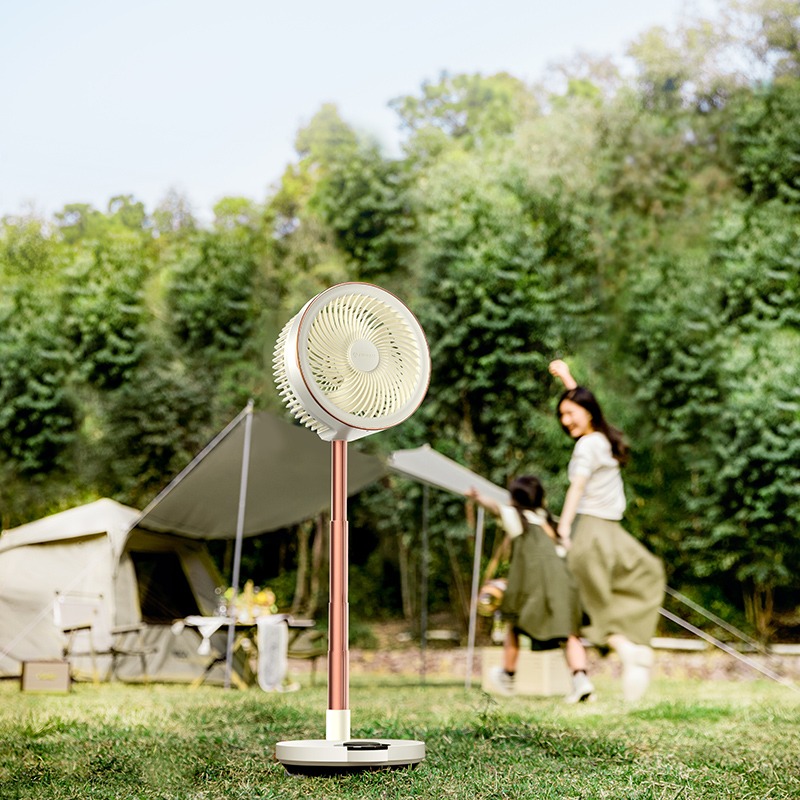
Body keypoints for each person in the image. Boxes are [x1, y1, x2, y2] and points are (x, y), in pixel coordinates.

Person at [549, 359, 665, 702]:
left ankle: (630, 650)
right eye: (562, 416)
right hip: (595, 530)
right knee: (596, 603)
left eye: (570, 413)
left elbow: (577, 486)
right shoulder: (592, 442)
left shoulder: (593, 441)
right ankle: (629, 651)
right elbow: (577, 489)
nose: (565, 421)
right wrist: (565, 529)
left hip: (604, 531)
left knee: (634, 581)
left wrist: (568, 379)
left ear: (587, 411)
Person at [468, 476, 594, 704]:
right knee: (570, 632)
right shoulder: (550, 523)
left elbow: (496, 508)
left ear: (515, 497)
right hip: (566, 584)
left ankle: (507, 674)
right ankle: (581, 679)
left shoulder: (517, 518)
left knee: (515, 623)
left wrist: (478, 498)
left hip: (536, 586)